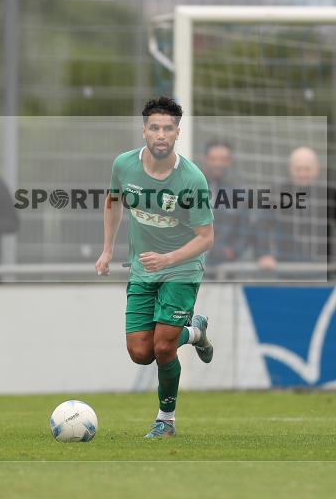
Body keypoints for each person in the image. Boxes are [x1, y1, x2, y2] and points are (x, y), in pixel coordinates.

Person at [95, 96, 214, 439]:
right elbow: (113, 202)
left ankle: (166, 420)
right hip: (142, 269)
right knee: (140, 353)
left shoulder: (192, 179)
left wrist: (169, 259)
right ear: (144, 131)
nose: (161, 134)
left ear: (178, 132)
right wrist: (107, 251)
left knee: (163, 348)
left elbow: (205, 238)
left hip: (182, 269)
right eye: (154, 127)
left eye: (168, 128)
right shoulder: (124, 165)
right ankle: (195, 332)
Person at [255, 147, 336, 275]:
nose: (302, 174)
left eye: (307, 169)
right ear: (290, 169)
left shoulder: (330, 194)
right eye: (298, 169)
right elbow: (262, 225)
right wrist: (264, 254)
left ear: (317, 169)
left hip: (322, 269)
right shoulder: (276, 193)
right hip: (286, 269)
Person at [201, 140, 249, 268]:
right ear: (206, 160)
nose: (218, 164)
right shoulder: (190, 188)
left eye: (223, 159)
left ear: (230, 161)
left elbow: (245, 230)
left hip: (225, 269)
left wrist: (233, 252)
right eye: (213, 159)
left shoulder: (239, 194)